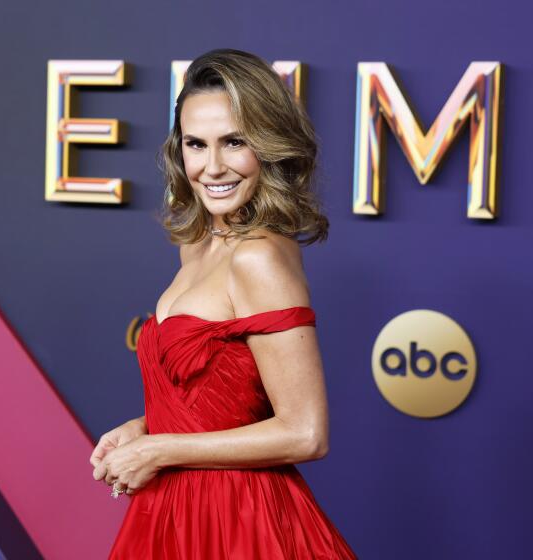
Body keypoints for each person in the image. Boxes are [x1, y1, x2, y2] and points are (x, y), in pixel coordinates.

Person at [89, 48, 358, 559]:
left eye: (234, 142)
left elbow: (305, 432)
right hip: (171, 513)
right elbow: (224, 396)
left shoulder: (258, 259)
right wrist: (143, 429)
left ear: (269, 146)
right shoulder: (198, 242)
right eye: (196, 144)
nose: (212, 167)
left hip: (240, 524)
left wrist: (161, 449)